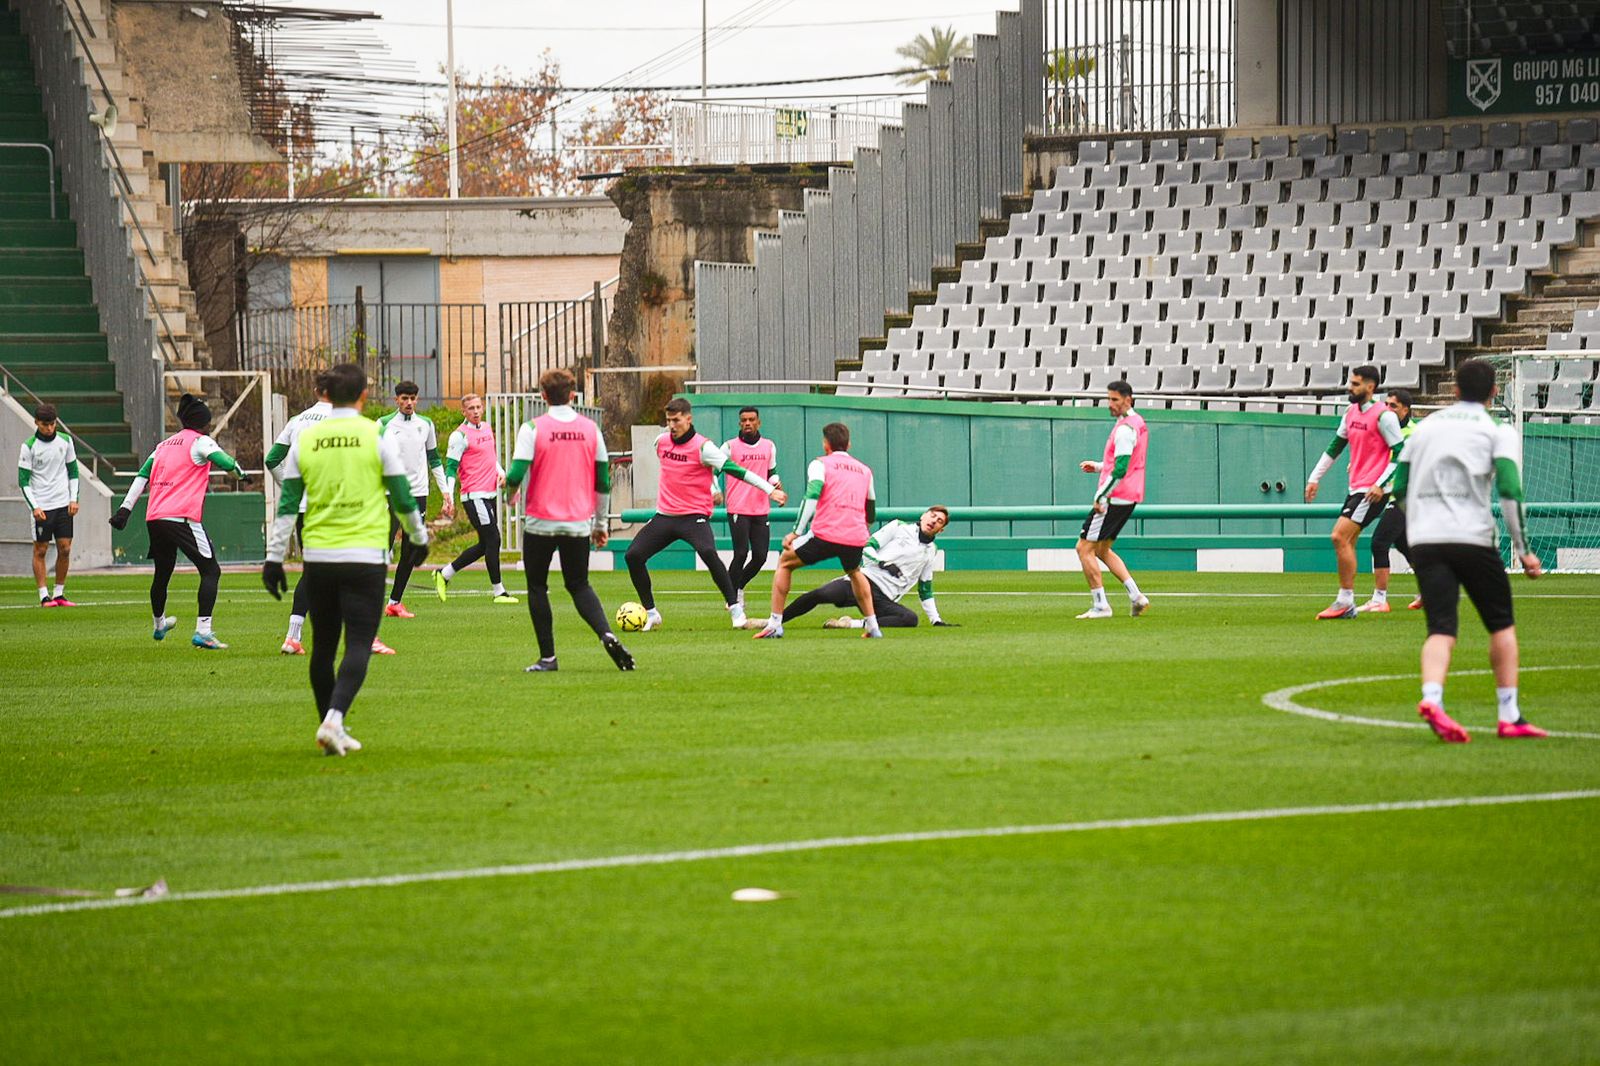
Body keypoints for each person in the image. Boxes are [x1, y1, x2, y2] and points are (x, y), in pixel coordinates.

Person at [261, 363, 429, 756]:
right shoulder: (374, 434)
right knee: (358, 641)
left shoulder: (309, 436)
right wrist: (419, 538)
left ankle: (330, 725)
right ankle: (335, 719)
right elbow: (402, 496)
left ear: (326, 393)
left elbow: (288, 502)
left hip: (319, 554)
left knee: (322, 647)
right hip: (365, 554)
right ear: (363, 396)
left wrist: (273, 558)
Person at [1390, 358, 1546, 742]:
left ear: (1454, 389)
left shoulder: (1426, 427)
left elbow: (1399, 488)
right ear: (1495, 392)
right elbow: (1509, 490)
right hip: (1473, 538)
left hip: (1426, 540)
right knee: (1501, 626)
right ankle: (1509, 714)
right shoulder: (1498, 430)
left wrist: (1422, 522)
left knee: (1441, 629)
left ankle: (1433, 698)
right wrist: (1524, 549)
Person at [503, 367, 633, 673]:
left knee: (537, 586)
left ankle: (548, 657)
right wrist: (600, 524)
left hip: (540, 522)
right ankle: (607, 634)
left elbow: (515, 474)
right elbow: (603, 481)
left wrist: (511, 494)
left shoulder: (532, 428)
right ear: (573, 396)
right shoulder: (591, 429)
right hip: (577, 523)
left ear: (543, 395)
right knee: (579, 584)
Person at [625, 397, 786, 630]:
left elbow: (737, 471)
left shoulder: (704, 448)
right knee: (633, 556)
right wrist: (711, 488)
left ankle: (735, 609)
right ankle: (651, 613)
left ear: (688, 419)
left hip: (693, 517)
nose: (672, 425)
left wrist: (770, 490)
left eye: (677, 420)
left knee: (709, 552)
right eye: (669, 420)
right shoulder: (660, 442)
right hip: (665, 516)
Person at [110, 394, 244, 648]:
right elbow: (227, 463)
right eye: (207, 423)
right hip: (181, 516)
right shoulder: (201, 442)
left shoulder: (164, 445)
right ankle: (203, 631)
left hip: (155, 517)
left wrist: (124, 511)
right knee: (211, 570)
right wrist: (241, 473)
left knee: (162, 572)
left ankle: (159, 623)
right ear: (202, 423)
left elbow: (141, 477)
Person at [754, 422, 879, 640]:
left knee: (785, 562)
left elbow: (812, 496)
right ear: (848, 444)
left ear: (825, 444)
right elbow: (871, 506)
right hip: (856, 534)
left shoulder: (820, 464)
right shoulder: (865, 470)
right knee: (854, 571)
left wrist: (796, 532)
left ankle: (775, 624)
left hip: (827, 533)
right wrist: (864, 525)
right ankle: (873, 626)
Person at [1305, 364, 1407, 620]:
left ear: (1370, 387)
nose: (1350, 387)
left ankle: (1345, 600)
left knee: (1339, 536)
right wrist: (1314, 478)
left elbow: (1400, 453)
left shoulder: (1385, 416)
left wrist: (1380, 485)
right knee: (1346, 540)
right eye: (1351, 383)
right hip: (1357, 488)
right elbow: (1335, 446)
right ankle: (1347, 602)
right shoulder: (1350, 412)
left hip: (1373, 490)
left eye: (1355, 384)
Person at [265, 376, 341, 654]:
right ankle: (364, 636)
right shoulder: (343, 421)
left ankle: (293, 637)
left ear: (315, 391)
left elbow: (272, 459)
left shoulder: (297, 420)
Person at [788, 507, 958, 630]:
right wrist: (882, 562)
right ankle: (775, 620)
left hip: (883, 598)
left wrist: (936, 619)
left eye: (939, 521)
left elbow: (925, 589)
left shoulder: (931, 551)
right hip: (862, 581)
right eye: (932, 516)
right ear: (923, 516)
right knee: (820, 594)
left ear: (940, 530)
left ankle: (852, 624)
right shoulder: (898, 526)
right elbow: (867, 546)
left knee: (909, 619)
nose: (933, 521)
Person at [1074, 381, 1151, 620]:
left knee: (1084, 548)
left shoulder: (1125, 429)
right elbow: (1126, 462)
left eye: (1115, 399)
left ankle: (1100, 606)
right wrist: (1098, 466)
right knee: (1103, 549)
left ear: (1128, 399)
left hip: (1114, 497)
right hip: (1129, 496)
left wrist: (1101, 495)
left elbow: (1120, 469)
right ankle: (1136, 596)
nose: (1111, 404)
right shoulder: (1136, 423)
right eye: (1109, 399)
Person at [377, 380, 451, 618]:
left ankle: (395, 602)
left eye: (413, 399)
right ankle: (367, 601)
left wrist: (446, 492)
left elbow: (434, 459)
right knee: (380, 549)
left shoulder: (425, 425)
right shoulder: (383, 424)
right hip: (390, 493)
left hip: (418, 494)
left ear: (417, 400)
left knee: (410, 551)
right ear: (396, 399)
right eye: (404, 399)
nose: (409, 403)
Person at [435, 393, 516, 604]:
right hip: (474, 496)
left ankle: (444, 574)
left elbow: (490, 458)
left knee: (485, 544)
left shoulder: (488, 428)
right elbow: (451, 468)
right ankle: (499, 592)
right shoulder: (459, 436)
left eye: (478, 407)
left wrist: (502, 472)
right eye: (471, 408)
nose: (476, 411)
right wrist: (448, 496)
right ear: (463, 412)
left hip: (489, 494)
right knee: (494, 539)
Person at [1358, 388, 1424, 614]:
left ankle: (1380, 599)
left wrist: (1381, 485)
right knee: (1404, 545)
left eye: (1393, 406)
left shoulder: (1413, 434)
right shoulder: (1386, 432)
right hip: (1398, 496)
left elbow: (1403, 468)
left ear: (1406, 409)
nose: (1387, 409)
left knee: (1379, 542)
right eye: (1385, 404)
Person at [17, 403, 79, 607]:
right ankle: (44, 595)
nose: (50, 428)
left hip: (63, 503)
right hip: (42, 505)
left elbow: (73, 472)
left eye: (52, 424)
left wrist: (73, 498)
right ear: (36, 422)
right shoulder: (29, 446)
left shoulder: (65, 441)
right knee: (41, 550)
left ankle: (59, 593)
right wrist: (34, 506)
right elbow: (23, 480)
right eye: (45, 425)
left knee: (65, 548)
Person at [721, 406, 781, 609]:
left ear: (758, 422)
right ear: (739, 423)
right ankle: (732, 598)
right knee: (740, 553)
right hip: (738, 507)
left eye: (751, 419)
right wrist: (713, 491)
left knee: (761, 557)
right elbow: (713, 471)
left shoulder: (769, 446)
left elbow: (771, 472)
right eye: (744, 420)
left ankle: (738, 587)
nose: (747, 423)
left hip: (761, 508)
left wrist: (776, 484)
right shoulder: (729, 447)